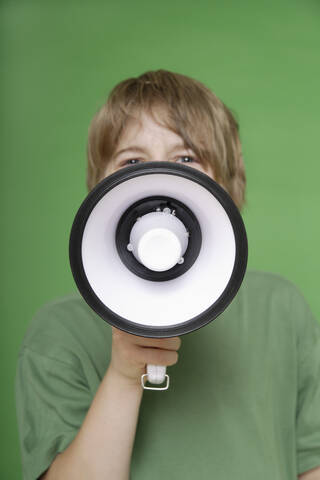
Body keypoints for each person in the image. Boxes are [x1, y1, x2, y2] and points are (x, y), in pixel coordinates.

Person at [16, 70, 320, 480]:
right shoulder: (59, 331)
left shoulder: (280, 307)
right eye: (133, 162)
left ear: (225, 185)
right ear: (101, 189)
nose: (159, 176)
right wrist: (125, 374)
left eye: (186, 159)